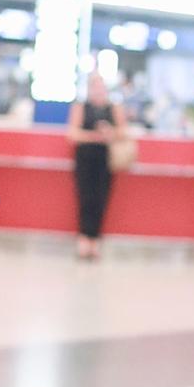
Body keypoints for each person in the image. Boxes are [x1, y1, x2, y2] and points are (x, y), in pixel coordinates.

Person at [68, 72, 127, 260]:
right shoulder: (81, 107)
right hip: (85, 159)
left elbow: (123, 132)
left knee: (101, 199)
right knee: (85, 199)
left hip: (105, 160)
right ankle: (84, 240)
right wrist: (95, 136)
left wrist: (109, 133)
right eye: (94, 86)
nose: (98, 90)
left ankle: (95, 241)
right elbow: (72, 134)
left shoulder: (114, 108)